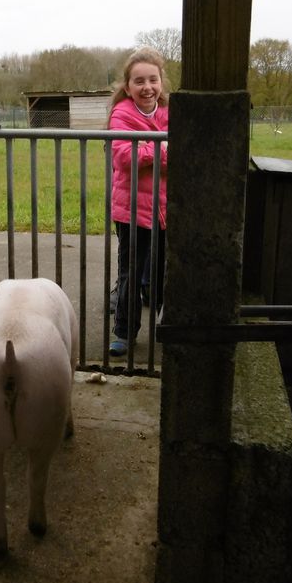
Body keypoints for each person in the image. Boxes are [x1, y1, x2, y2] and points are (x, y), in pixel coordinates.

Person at [107, 47, 169, 357]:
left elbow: (184, 152)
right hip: (132, 210)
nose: (147, 87)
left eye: (153, 80)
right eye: (139, 81)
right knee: (130, 272)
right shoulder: (122, 114)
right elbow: (122, 156)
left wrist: (147, 147)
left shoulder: (170, 112)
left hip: (167, 210)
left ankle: (165, 321)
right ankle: (123, 331)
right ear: (128, 86)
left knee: (165, 270)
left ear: (161, 82)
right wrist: (161, 148)